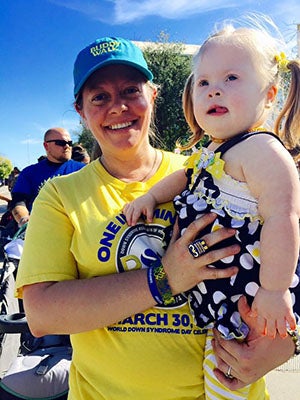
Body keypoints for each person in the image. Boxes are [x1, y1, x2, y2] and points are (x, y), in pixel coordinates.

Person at [15, 36, 297, 400]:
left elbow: (286, 241)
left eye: (131, 90)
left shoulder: (216, 168)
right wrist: (164, 278)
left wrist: (288, 342)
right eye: (99, 97)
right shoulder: (60, 195)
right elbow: (42, 315)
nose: (117, 107)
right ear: (81, 111)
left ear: (153, 95)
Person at [123, 17, 300, 399]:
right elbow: (185, 178)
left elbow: (283, 218)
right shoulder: (213, 151)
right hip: (221, 301)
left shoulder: (262, 151)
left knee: (228, 380)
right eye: (203, 83)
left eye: (231, 79)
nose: (213, 91)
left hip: (248, 299)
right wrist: (151, 196)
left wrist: (274, 290)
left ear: (269, 95)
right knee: (217, 377)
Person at [10, 127, 85, 228]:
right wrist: (24, 220)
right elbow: (18, 202)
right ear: (46, 146)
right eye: (60, 143)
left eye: (70, 143)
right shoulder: (29, 173)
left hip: (77, 230)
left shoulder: (84, 170)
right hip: (42, 230)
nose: (67, 146)